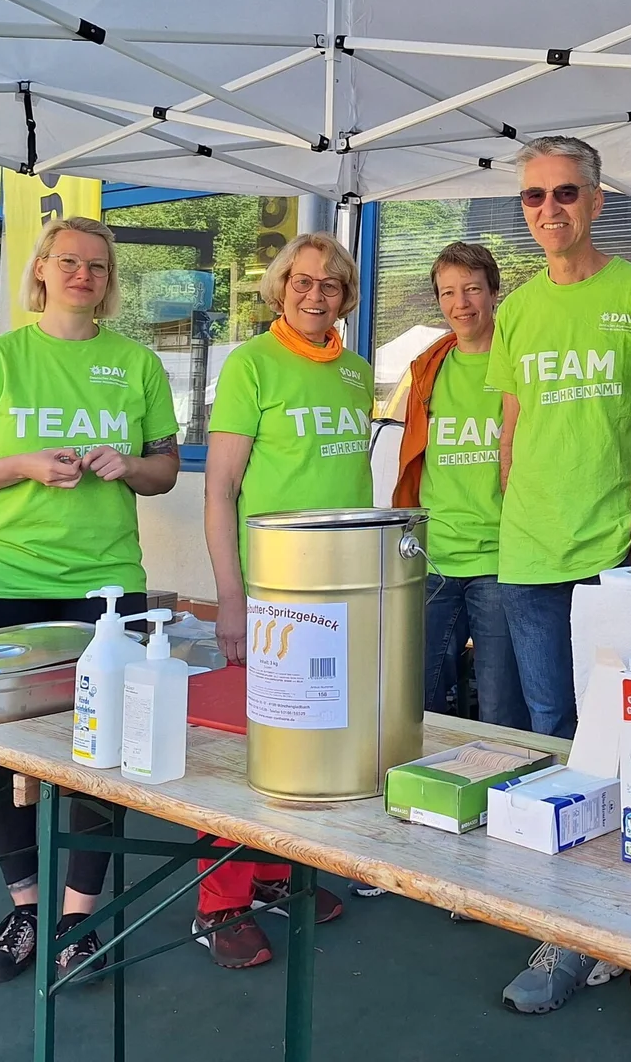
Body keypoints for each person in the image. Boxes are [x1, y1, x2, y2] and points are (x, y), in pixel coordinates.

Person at [486, 138, 631, 1047]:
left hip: (623, 559)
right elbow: (512, 425)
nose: (549, 210)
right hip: (532, 558)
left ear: (599, 200)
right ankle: (565, 937)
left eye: (565, 193)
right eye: (534, 197)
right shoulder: (518, 309)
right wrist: (518, 513)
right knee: (558, 751)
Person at [0, 216, 182, 984]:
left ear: (110, 281)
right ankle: (27, 905)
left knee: (106, 753)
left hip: (106, 590)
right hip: (4, 582)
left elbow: (164, 471)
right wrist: (24, 465)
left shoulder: (137, 364)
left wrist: (127, 464)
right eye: (68, 262)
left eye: (97, 267)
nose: (82, 275)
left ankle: (79, 916)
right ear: (40, 272)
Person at [195, 232, 372, 967]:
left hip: (343, 590)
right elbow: (219, 489)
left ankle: (273, 874)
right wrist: (229, 598)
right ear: (279, 287)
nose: (314, 295)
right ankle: (218, 904)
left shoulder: (358, 373)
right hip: (270, 593)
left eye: (330, 284)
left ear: (346, 297)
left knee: (312, 739)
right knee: (251, 746)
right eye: (301, 281)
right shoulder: (251, 365)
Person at [391, 241, 527, 728]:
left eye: (472, 289)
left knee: (499, 711)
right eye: (448, 292)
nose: (460, 303)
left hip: (499, 558)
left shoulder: (518, 365)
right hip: (434, 556)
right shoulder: (429, 369)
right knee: (416, 704)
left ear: (494, 292)